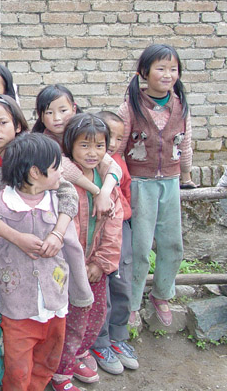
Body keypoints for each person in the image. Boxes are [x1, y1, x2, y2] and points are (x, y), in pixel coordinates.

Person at [0, 95, 78, 391]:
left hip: (46, 270)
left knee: (45, 345)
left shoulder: (40, 156)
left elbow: (69, 193)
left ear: (18, 125)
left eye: (3, 122)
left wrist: (56, 233)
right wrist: (15, 237)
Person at [116, 44, 194, 328]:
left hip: (170, 183)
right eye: (160, 68)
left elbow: (185, 144)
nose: (167, 74)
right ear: (143, 74)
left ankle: (162, 295)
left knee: (173, 244)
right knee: (139, 247)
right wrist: (121, 183)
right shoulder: (130, 108)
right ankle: (133, 302)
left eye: (173, 69)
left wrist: (185, 176)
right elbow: (119, 149)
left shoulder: (181, 106)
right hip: (140, 184)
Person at [52, 114, 123, 391]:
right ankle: (61, 372)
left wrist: (101, 261)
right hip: (69, 266)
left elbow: (114, 226)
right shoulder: (62, 180)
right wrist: (77, 264)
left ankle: (78, 353)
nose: (92, 153)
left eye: (99, 146)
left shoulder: (108, 181)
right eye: (84, 146)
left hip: (95, 265)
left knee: (95, 315)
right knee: (68, 320)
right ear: (70, 146)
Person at [90, 111, 139, 374]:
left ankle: (119, 337)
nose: (114, 143)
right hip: (98, 231)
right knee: (101, 291)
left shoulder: (119, 164)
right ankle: (99, 341)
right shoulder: (91, 166)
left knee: (122, 283)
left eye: (120, 138)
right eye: (109, 136)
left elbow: (127, 196)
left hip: (122, 228)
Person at [31, 84, 122, 219]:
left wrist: (104, 193)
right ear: (41, 116)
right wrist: (95, 191)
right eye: (49, 113)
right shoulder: (41, 143)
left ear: (73, 109)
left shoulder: (86, 132)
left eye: (63, 110)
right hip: (59, 207)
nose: (57, 118)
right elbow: (65, 168)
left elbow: (113, 166)